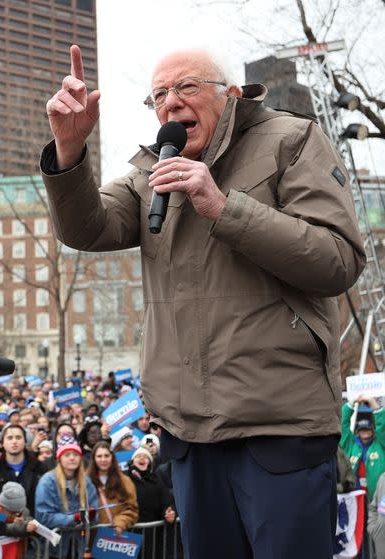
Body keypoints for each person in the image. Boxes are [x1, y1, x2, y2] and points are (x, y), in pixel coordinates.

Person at [42, 44, 365, 558]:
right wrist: (69, 152)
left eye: (187, 87)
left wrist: (222, 206)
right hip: (190, 436)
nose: (171, 103)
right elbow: (87, 227)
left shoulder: (292, 140)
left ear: (230, 94)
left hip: (278, 428)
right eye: (159, 96)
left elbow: (338, 260)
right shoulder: (154, 170)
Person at [34, 436, 98, 559]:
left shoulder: (86, 481)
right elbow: (43, 516)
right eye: (67, 454)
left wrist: (92, 515)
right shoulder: (47, 482)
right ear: (59, 458)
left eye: (75, 454)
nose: (72, 458)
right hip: (54, 550)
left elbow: (95, 510)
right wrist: (73, 518)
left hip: (79, 548)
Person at [0, 425, 46, 515]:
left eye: (18, 437)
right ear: (3, 443)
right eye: (10, 438)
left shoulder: (39, 467)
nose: (14, 441)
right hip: (2, 524)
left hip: (33, 522)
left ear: (25, 441)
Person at [127, 447, 176, 559]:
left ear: (149, 462)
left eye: (145, 457)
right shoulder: (124, 478)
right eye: (139, 456)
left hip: (151, 536)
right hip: (129, 532)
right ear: (132, 461)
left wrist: (169, 512)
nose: (142, 458)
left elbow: (167, 501)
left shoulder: (156, 479)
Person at [86, 441, 138, 536]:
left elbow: (132, 509)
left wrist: (120, 523)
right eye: (99, 456)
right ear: (94, 458)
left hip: (116, 536)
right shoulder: (86, 481)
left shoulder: (124, 481)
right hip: (92, 536)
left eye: (106, 456)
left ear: (112, 457)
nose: (103, 459)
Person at [340, 395, 385, 502]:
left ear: (373, 430)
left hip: (378, 498)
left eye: (368, 428)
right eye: (362, 428)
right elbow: (343, 424)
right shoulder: (350, 444)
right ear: (357, 431)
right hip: (355, 497)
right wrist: (352, 402)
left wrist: (373, 403)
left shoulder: (380, 443)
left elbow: (382, 425)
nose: (365, 431)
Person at [0, 482, 38, 559]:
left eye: (18, 513)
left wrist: (26, 525)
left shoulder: (21, 509)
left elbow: (28, 520)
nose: (17, 515)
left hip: (17, 553)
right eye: (14, 513)